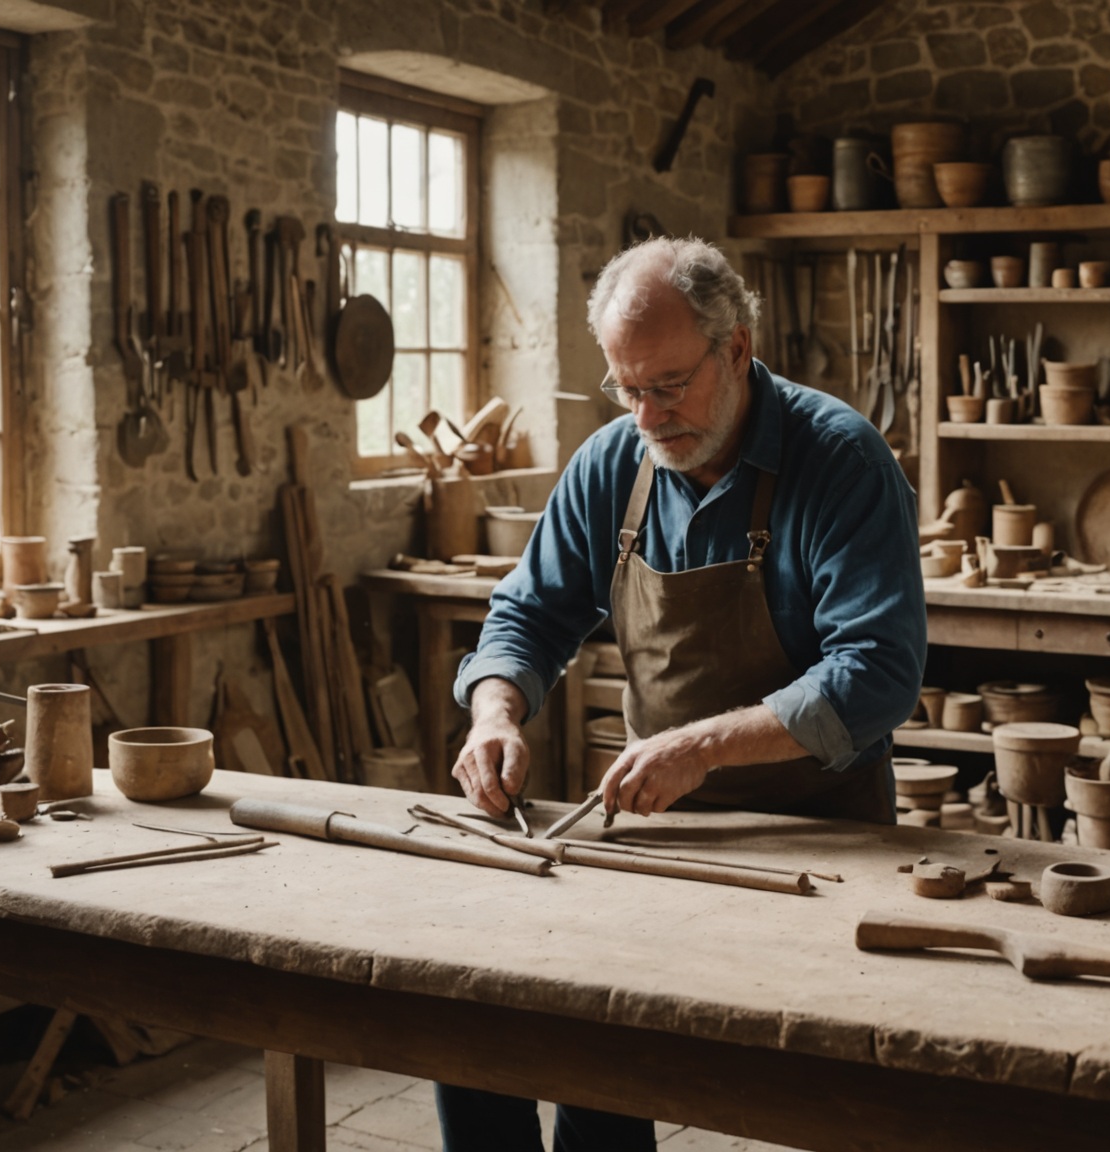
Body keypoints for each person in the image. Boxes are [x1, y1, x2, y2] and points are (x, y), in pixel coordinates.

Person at [434, 235, 925, 1151]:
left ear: (736, 348)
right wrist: (494, 708)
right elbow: (528, 612)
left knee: (829, 1102)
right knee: (509, 1038)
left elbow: (878, 672)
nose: (649, 417)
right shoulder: (612, 463)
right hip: (656, 834)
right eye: (627, 389)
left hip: (820, 844)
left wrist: (701, 746)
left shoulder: (841, 462)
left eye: (670, 386)